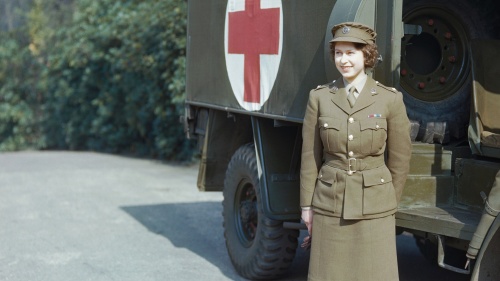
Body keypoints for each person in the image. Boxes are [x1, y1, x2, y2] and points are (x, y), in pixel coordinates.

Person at [300, 22, 412, 281]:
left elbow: (400, 158)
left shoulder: (389, 100)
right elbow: (310, 156)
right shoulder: (319, 98)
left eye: (351, 52)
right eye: (339, 53)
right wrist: (307, 206)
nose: (344, 60)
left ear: (367, 55)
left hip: (375, 206)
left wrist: (386, 199)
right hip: (330, 203)